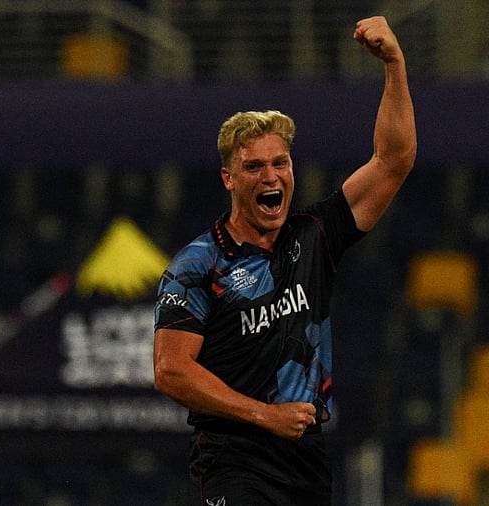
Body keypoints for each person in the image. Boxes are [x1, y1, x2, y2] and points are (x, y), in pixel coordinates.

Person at [152, 16, 416, 505]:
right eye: (253, 166)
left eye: (280, 163)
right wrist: (263, 414)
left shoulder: (314, 236)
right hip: (234, 458)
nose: (270, 176)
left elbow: (393, 161)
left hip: (306, 459)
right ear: (229, 179)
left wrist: (395, 66)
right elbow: (170, 370)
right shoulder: (196, 264)